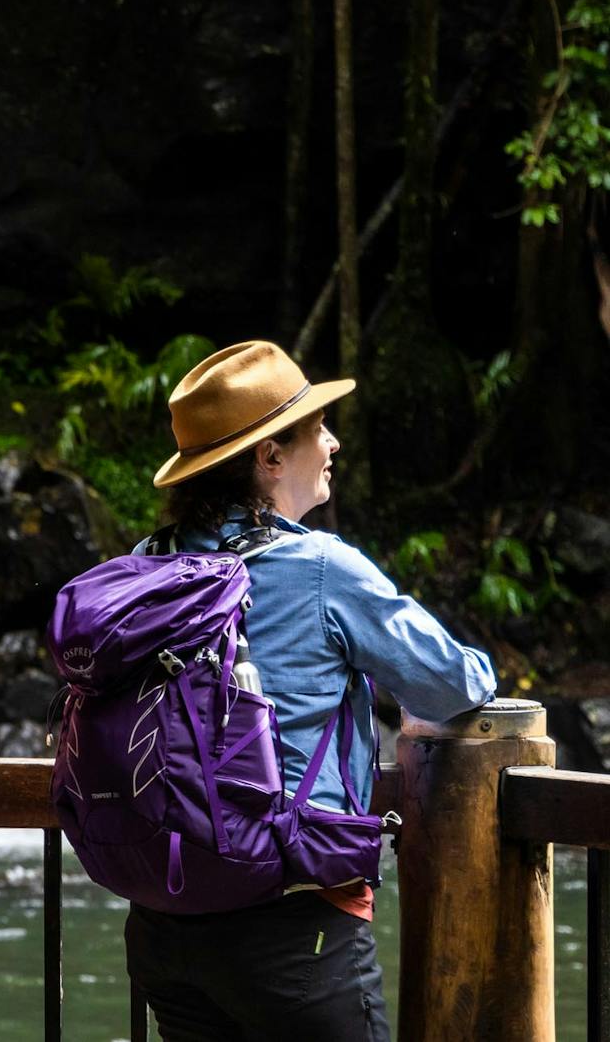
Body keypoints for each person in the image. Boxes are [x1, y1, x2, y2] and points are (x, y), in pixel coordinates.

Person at [126, 340, 496, 1040]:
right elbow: (455, 685)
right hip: (293, 929)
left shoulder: (145, 566)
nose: (332, 441)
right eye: (315, 428)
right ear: (269, 456)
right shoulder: (319, 567)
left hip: (164, 928)